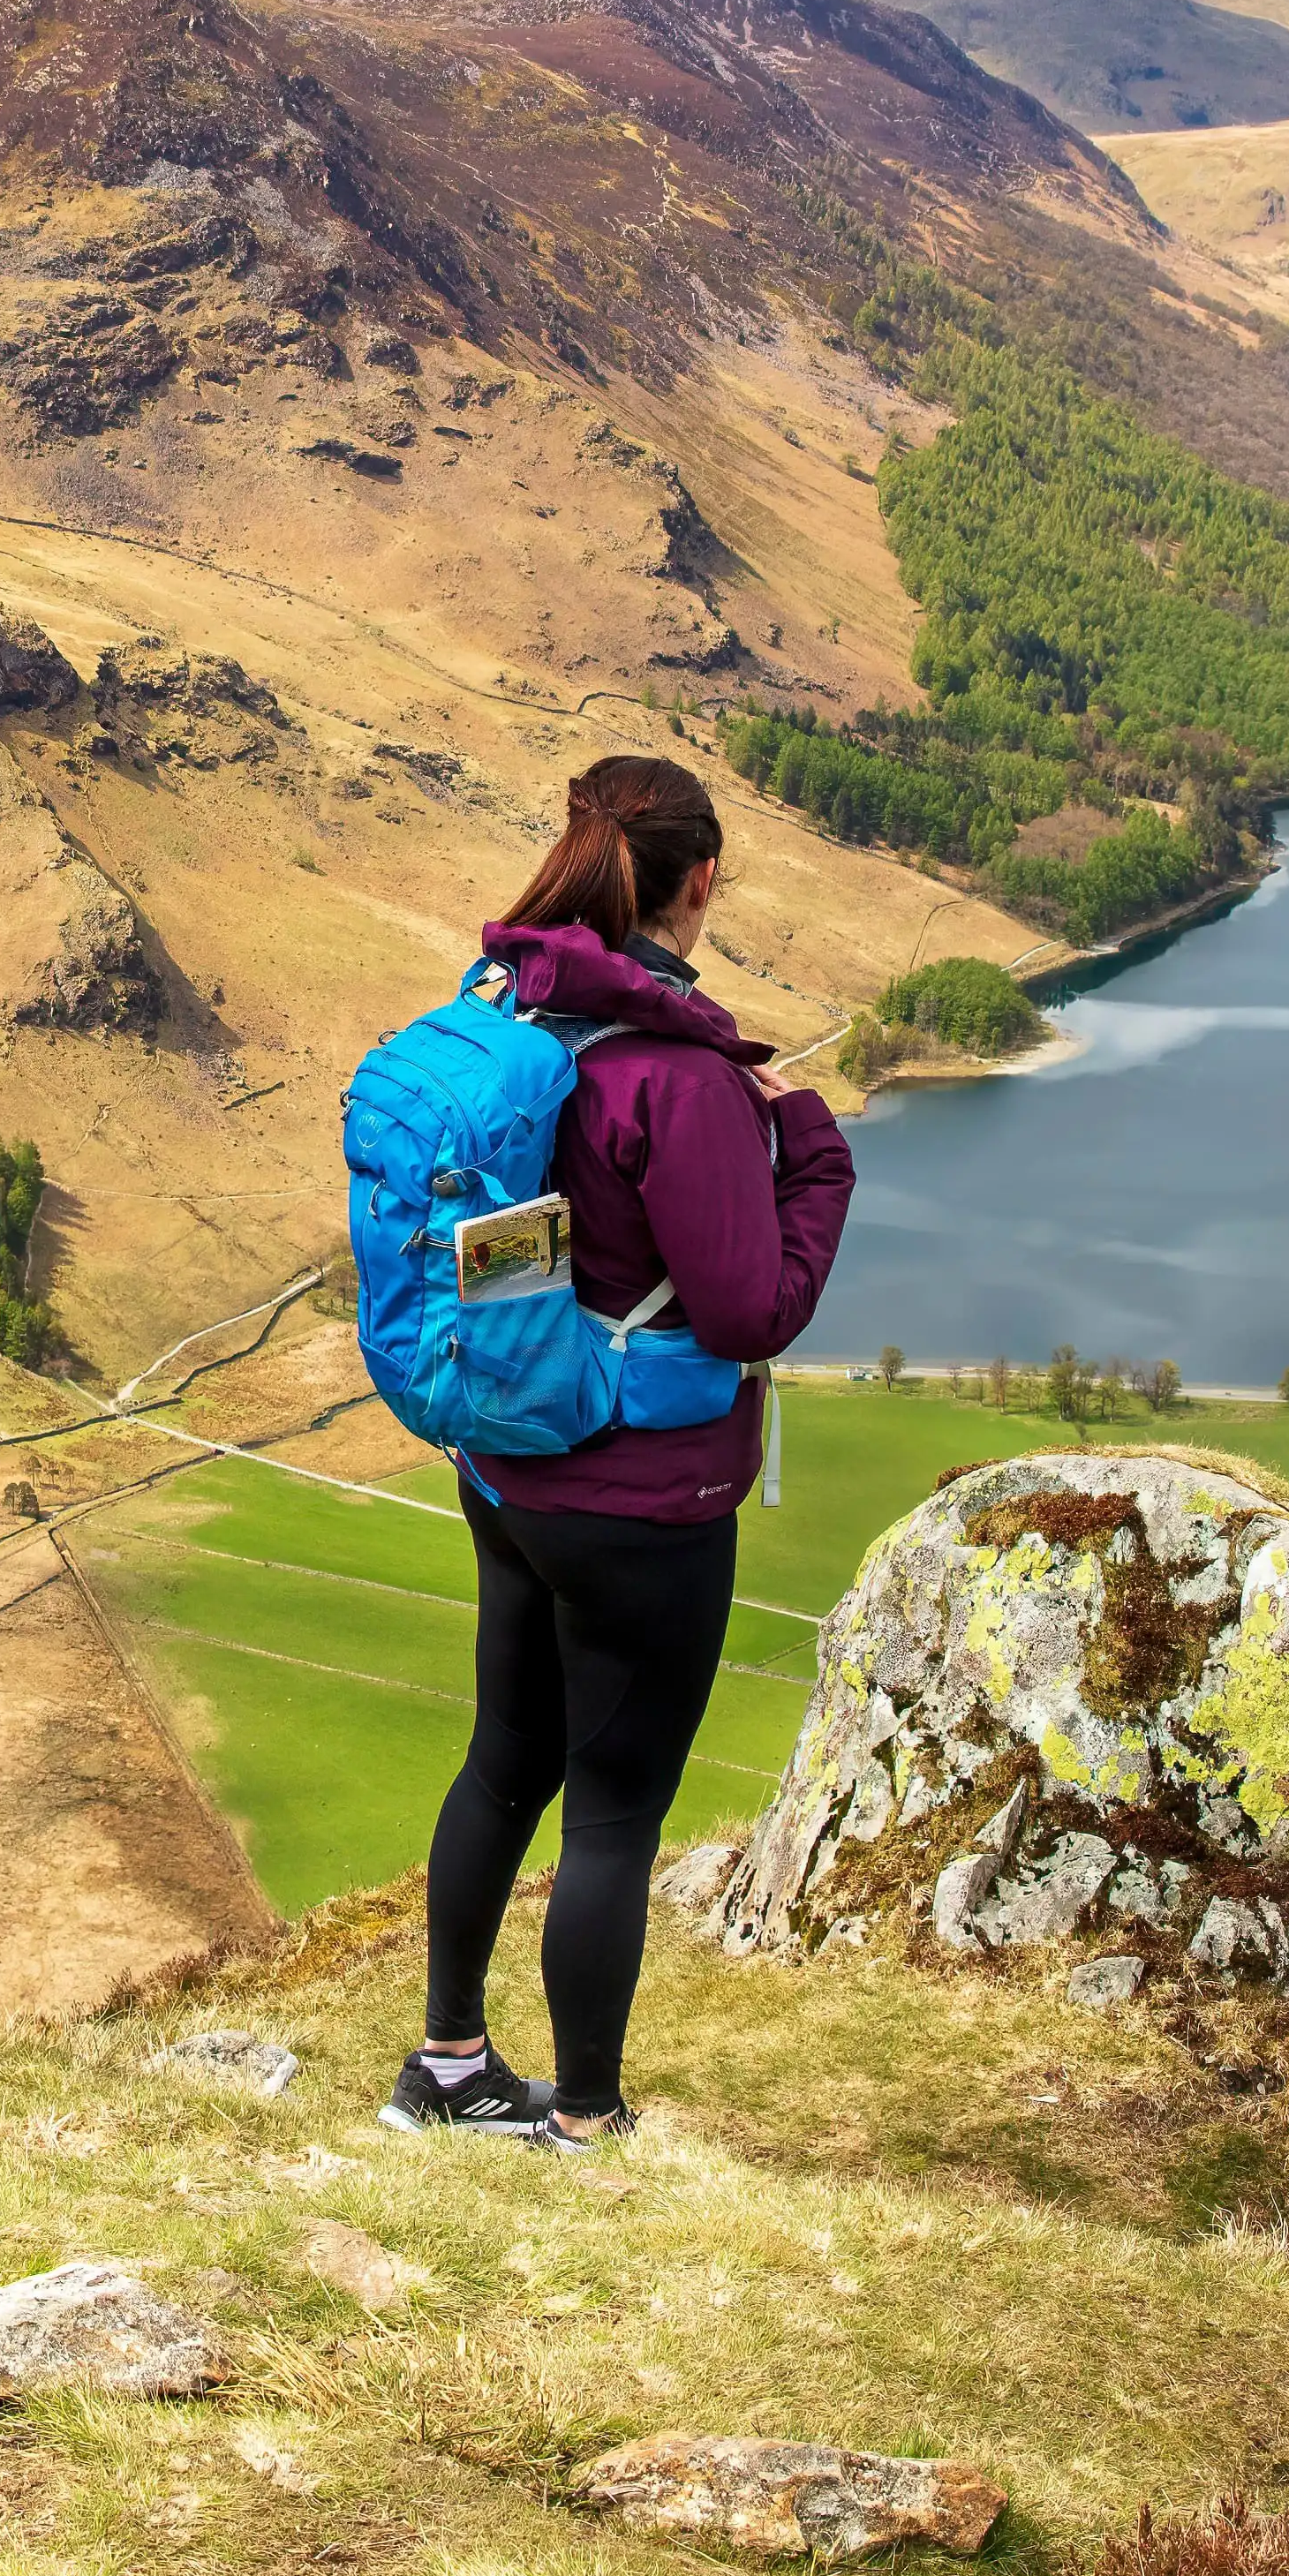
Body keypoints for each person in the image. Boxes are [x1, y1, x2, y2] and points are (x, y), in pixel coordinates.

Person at [389, 754, 854, 2149]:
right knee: (612, 1818)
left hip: (507, 1459)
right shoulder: (675, 1075)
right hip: (644, 1496)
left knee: (502, 1762)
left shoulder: (514, 1020)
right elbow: (749, 1306)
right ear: (698, 879)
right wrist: (818, 1165)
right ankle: (583, 2121)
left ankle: (450, 2067)